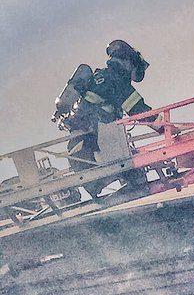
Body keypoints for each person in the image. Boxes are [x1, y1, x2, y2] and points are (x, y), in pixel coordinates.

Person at [55, 40, 154, 198]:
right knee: (136, 174)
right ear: (128, 62)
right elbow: (141, 112)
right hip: (94, 157)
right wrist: (168, 128)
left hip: (81, 157)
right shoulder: (115, 81)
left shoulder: (97, 79)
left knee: (132, 167)